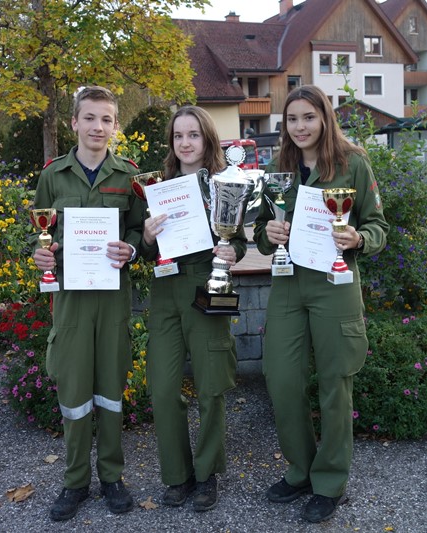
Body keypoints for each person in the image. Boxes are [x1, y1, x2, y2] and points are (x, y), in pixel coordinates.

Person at [252, 85, 388, 523]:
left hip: (334, 283)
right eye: (292, 120)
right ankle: (300, 470)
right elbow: (258, 231)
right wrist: (267, 234)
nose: (300, 127)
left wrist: (359, 238)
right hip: (289, 284)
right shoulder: (279, 169)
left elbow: (378, 227)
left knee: (334, 383)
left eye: (308, 117)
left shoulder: (353, 164)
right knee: (283, 380)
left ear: (325, 118)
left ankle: (328, 481)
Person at [32, 86, 145, 522]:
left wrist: (131, 250)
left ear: (115, 126)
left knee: (111, 390)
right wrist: (41, 253)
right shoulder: (53, 175)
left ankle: (112, 476)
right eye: (91, 118)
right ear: (74, 122)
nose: (98, 127)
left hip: (113, 298)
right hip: (72, 299)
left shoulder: (128, 176)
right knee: (75, 391)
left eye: (107, 120)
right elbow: (41, 231)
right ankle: (75, 480)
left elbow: (138, 230)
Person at [139, 106, 246, 512]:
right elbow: (143, 247)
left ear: (207, 140)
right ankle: (177, 475)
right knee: (163, 388)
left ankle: (207, 475)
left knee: (211, 386)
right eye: (178, 136)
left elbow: (237, 240)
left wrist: (230, 251)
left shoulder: (224, 184)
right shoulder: (156, 187)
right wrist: (147, 237)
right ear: (172, 143)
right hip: (166, 290)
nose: (185, 142)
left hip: (209, 285)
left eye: (194, 135)